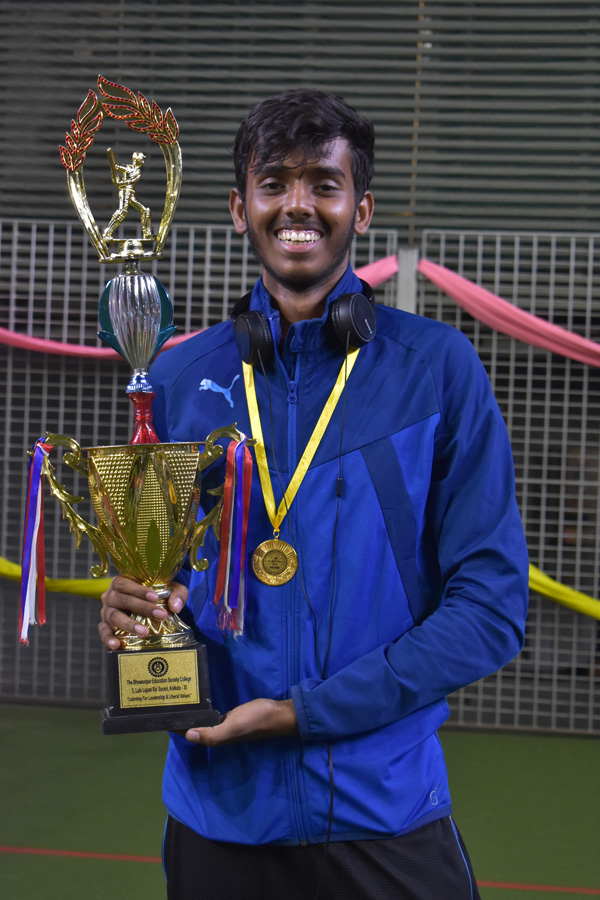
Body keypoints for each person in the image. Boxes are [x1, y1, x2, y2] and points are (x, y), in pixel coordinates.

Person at [99, 89, 529, 900]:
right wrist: (134, 612)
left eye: (323, 184)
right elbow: (161, 584)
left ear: (360, 209)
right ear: (240, 209)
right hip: (219, 815)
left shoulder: (436, 370)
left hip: (385, 814)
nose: (298, 204)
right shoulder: (179, 379)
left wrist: (308, 713)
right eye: (274, 183)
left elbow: (492, 610)